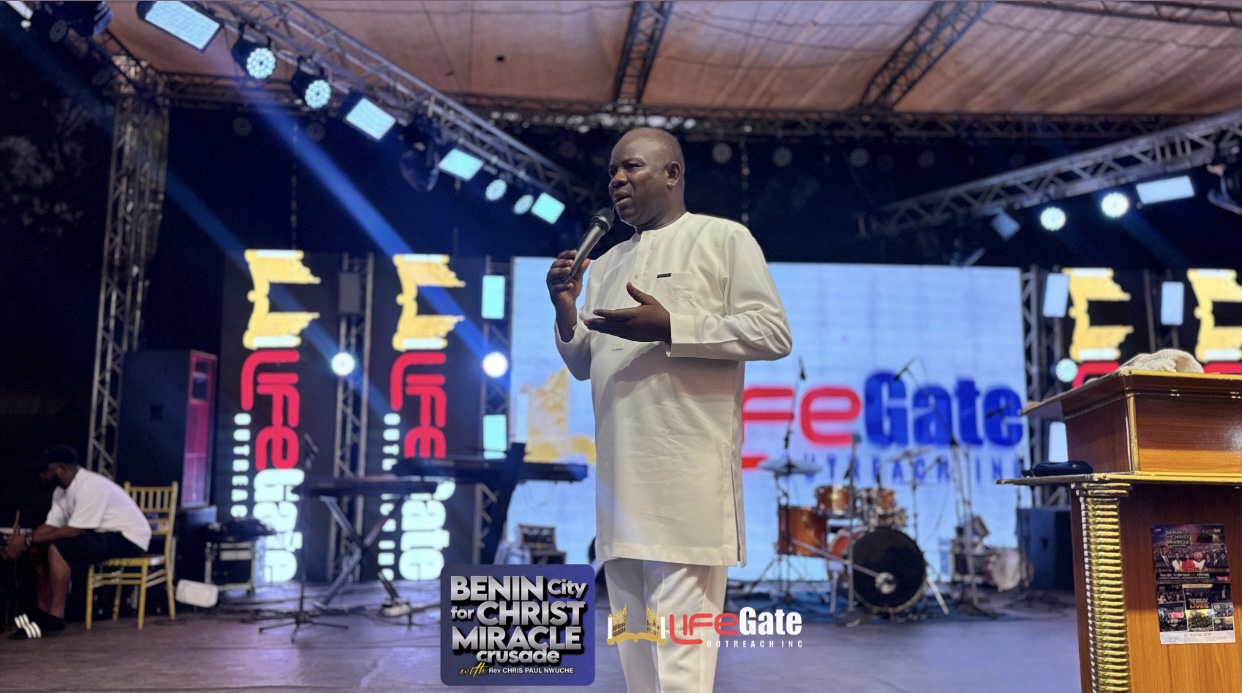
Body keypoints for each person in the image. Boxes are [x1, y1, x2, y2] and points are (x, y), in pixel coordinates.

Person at [547, 128, 792, 691]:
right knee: (637, 664)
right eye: (612, 171)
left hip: (688, 487)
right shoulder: (606, 262)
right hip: (620, 490)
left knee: (681, 665)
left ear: (672, 174)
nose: (616, 179)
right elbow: (584, 362)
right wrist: (565, 310)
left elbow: (773, 333)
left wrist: (672, 326)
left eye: (630, 167)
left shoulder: (722, 239)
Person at [2, 445, 150, 639]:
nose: (43, 476)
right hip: (103, 535)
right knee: (38, 549)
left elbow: (74, 531)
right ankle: (42, 612)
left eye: (47, 471)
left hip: (128, 538)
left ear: (61, 469)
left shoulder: (89, 486)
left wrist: (27, 540)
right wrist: (22, 541)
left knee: (59, 548)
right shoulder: (60, 492)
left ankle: (55, 617)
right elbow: (51, 525)